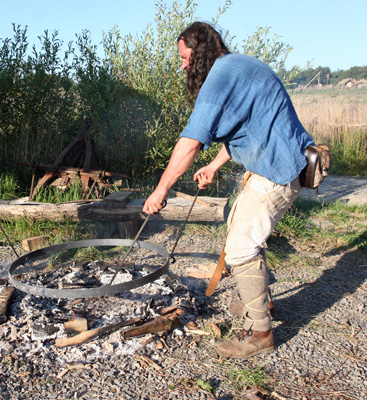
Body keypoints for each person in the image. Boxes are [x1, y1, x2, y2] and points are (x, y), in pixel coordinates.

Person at [143, 22, 315, 359]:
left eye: (185, 58)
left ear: (200, 51)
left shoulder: (220, 76)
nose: (183, 66)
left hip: (277, 171)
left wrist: (161, 190)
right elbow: (244, 126)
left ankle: (260, 332)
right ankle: (260, 301)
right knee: (242, 229)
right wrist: (214, 165)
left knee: (240, 248)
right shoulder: (239, 66)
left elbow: (191, 141)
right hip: (277, 164)